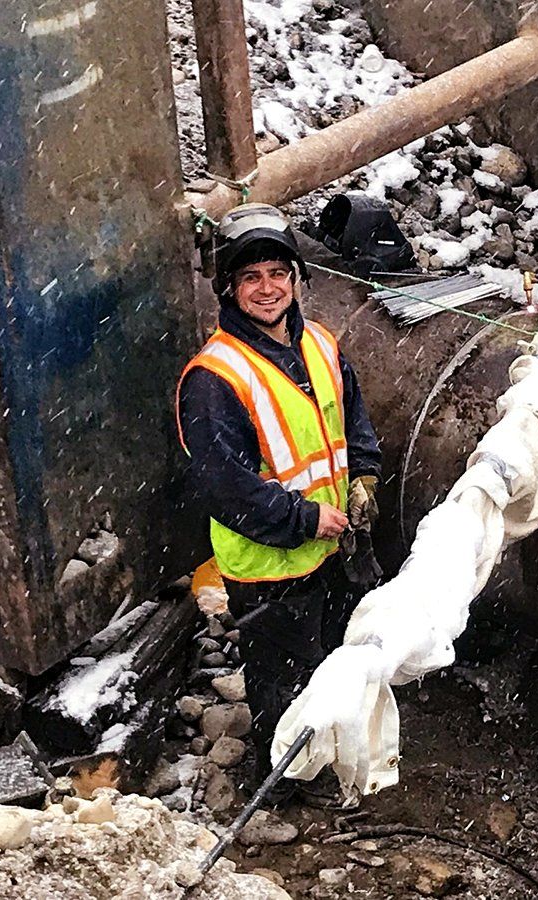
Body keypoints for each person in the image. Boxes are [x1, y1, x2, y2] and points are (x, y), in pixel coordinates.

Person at [176, 203, 381, 802]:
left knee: (334, 657)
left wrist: (363, 476)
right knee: (283, 679)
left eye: (278, 273)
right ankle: (283, 781)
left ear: (296, 279)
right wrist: (304, 517)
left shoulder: (318, 343)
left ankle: (328, 750)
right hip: (271, 563)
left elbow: (354, 419)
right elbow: (224, 486)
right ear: (230, 289)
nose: (268, 289)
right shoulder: (215, 378)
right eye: (251, 278)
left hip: (333, 545)